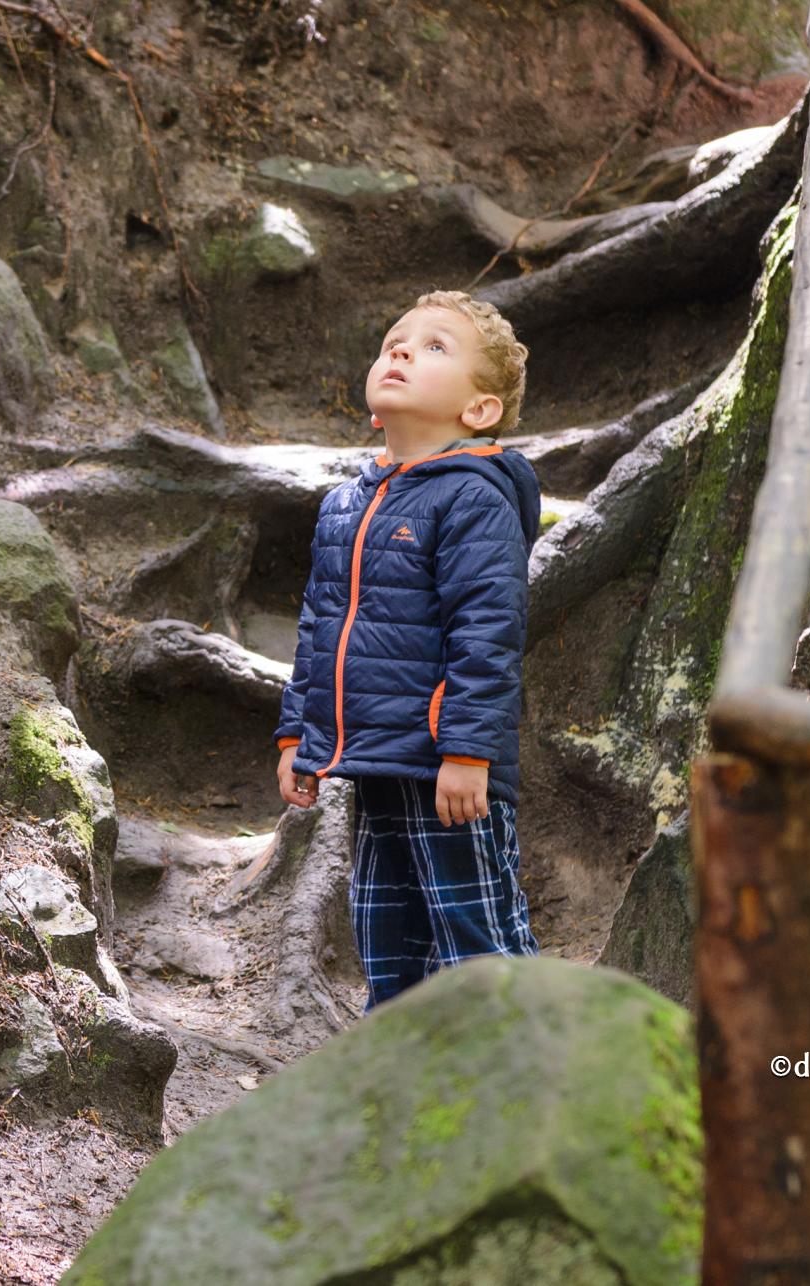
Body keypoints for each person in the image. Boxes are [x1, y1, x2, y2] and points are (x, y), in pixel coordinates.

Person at [274, 289, 544, 1009]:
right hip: (374, 763)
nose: (400, 350)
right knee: (388, 942)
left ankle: (540, 1083)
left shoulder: (473, 499)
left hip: (446, 768)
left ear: (479, 411)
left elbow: (488, 633)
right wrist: (298, 733)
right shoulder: (345, 504)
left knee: (477, 938)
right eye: (395, 340)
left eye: (433, 347)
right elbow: (319, 626)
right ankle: (406, 1094)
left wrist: (468, 751)